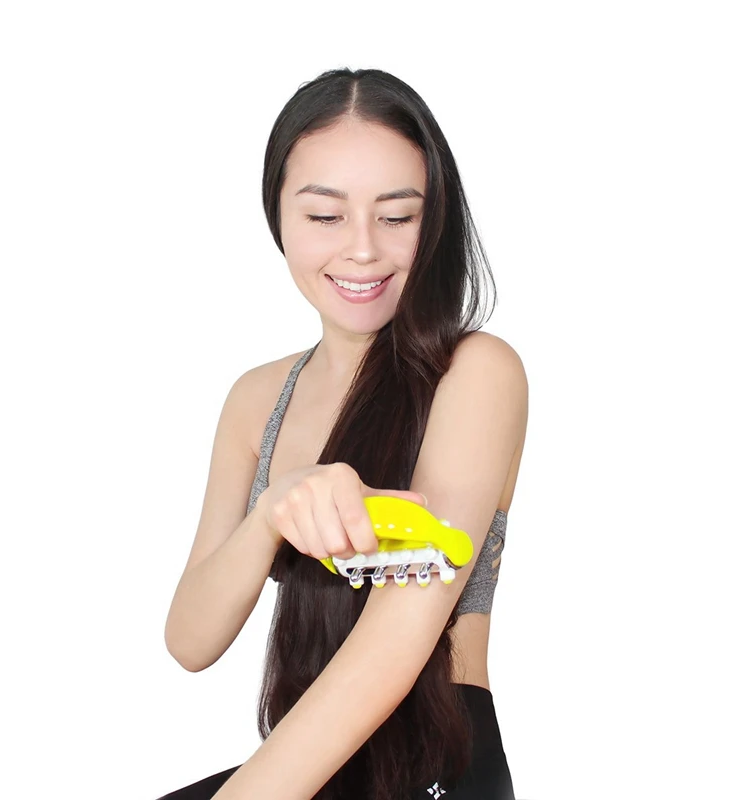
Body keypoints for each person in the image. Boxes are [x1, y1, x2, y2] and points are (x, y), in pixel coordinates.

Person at [156, 66, 528, 800]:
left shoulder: (476, 371)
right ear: (278, 216)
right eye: (325, 216)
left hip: (436, 761)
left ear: (435, 221)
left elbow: (392, 651)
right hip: (315, 769)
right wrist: (273, 513)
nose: (362, 249)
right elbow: (190, 639)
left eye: (397, 217)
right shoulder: (256, 400)